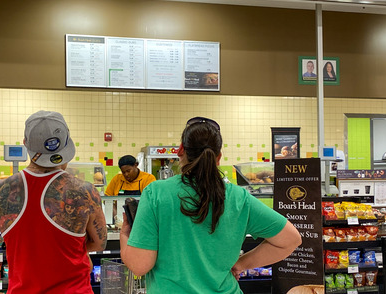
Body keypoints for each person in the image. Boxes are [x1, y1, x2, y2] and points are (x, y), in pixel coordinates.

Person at [120, 116, 302, 293]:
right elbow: (291, 239)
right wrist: (241, 264)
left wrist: (124, 235)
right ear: (219, 157)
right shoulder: (239, 198)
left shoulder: (156, 193)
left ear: (180, 150)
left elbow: (140, 265)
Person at [0, 111, 107, 293]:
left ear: (25, 144)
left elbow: (22, 240)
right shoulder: (85, 191)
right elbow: (100, 243)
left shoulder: (0, 191)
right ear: (67, 144)